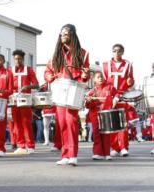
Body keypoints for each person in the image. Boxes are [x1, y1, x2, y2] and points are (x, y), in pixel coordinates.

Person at [44, 24, 90, 166]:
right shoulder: (56, 54)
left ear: (73, 35)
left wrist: (84, 75)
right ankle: (65, 155)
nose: (63, 35)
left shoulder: (83, 53)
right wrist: (49, 76)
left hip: (73, 91)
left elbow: (85, 74)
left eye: (67, 33)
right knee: (62, 123)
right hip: (59, 91)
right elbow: (47, 71)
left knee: (71, 123)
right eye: (62, 33)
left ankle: (73, 155)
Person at [102, 44, 136, 157]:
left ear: (122, 52)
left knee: (123, 123)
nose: (116, 53)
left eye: (119, 51)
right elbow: (103, 81)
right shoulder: (105, 65)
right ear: (112, 52)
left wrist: (130, 82)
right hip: (109, 97)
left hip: (122, 96)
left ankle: (124, 148)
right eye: (114, 51)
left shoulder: (128, 64)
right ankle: (115, 147)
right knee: (112, 123)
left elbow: (131, 82)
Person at [85, 71, 120, 160]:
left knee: (106, 133)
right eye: (98, 77)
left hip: (106, 113)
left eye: (101, 77)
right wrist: (88, 101)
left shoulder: (109, 87)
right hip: (95, 114)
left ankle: (107, 153)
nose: (100, 78)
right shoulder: (92, 91)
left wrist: (116, 98)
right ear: (94, 80)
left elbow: (117, 93)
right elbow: (87, 105)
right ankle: (97, 152)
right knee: (96, 133)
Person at [11, 49, 39, 154]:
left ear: (23, 59)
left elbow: (37, 84)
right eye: (15, 59)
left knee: (26, 123)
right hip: (14, 100)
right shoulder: (11, 70)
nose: (17, 61)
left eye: (19, 59)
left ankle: (30, 145)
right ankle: (21, 145)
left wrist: (28, 86)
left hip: (25, 100)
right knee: (17, 123)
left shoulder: (29, 70)